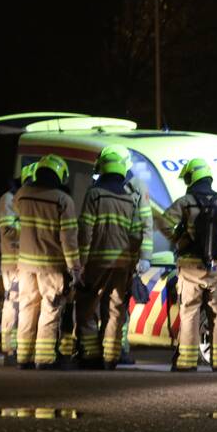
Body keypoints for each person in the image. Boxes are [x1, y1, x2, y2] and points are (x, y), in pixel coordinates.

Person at [158, 157, 217, 372]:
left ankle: (187, 362)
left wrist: (179, 239)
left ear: (191, 178)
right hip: (216, 267)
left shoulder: (185, 202)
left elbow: (163, 222)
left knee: (189, 311)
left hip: (190, 265)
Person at [75, 146, 144, 370]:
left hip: (97, 261)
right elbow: (136, 233)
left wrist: (81, 262)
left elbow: (86, 229)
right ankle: (111, 356)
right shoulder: (128, 198)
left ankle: (90, 355)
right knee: (116, 310)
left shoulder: (95, 194)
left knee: (87, 307)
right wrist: (133, 263)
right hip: (122, 265)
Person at [14, 155, 80, 370]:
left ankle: (23, 356)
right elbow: (68, 237)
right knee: (50, 310)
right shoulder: (63, 200)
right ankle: (44, 358)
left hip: (25, 265)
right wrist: (74, 267)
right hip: (51, 266)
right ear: (59, 175)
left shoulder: (22, 195)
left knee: (26, 309)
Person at [109, 144, 154, 365]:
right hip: (108, 254)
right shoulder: (103, 184)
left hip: (125, 255)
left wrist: (144, 256)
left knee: (119, 304)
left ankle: (118, 348)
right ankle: (104, 349)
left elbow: (146, 223)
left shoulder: (136, 186)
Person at [0, 171, 27, 365]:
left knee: (23, 305)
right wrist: (32, 228)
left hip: (24, 260)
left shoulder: (20, 198)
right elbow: (8, 230)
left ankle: (19, 347)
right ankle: (10, 348)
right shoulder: (8, 199)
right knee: (13, 304)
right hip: (12, 260)